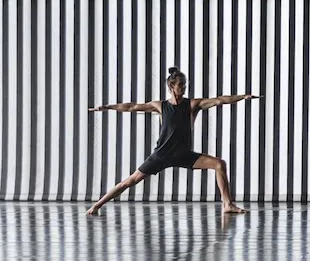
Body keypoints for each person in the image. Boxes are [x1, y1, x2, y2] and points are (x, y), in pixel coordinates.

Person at [86, 67, 257, 216]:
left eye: (185, 84)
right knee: (129, 181)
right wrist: (106, 107)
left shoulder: (192, 104)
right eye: (181, 85)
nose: (184, 87)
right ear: (171, 86)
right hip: (162, 155)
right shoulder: (160, 106)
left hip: (184, 154)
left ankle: (227, 204)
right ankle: (96, 205)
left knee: (219, 164)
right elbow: (132, 107)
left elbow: (219, 100)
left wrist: (243, 96)